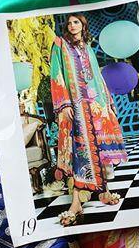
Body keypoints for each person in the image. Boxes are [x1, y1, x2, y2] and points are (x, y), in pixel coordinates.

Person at [50, 13, 127, 226]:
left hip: (96, 105)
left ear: (83, 25)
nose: (72, 25)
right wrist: (64, 104)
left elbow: (98, 77)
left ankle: (104, 192)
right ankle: (76, 203)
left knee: (100, 150)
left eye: (76, 22)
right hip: (76, 106)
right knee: (80, 152)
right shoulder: (59, 44)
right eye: (69, 23)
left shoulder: (88, 47)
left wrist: (108, 103)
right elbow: (56, 74)